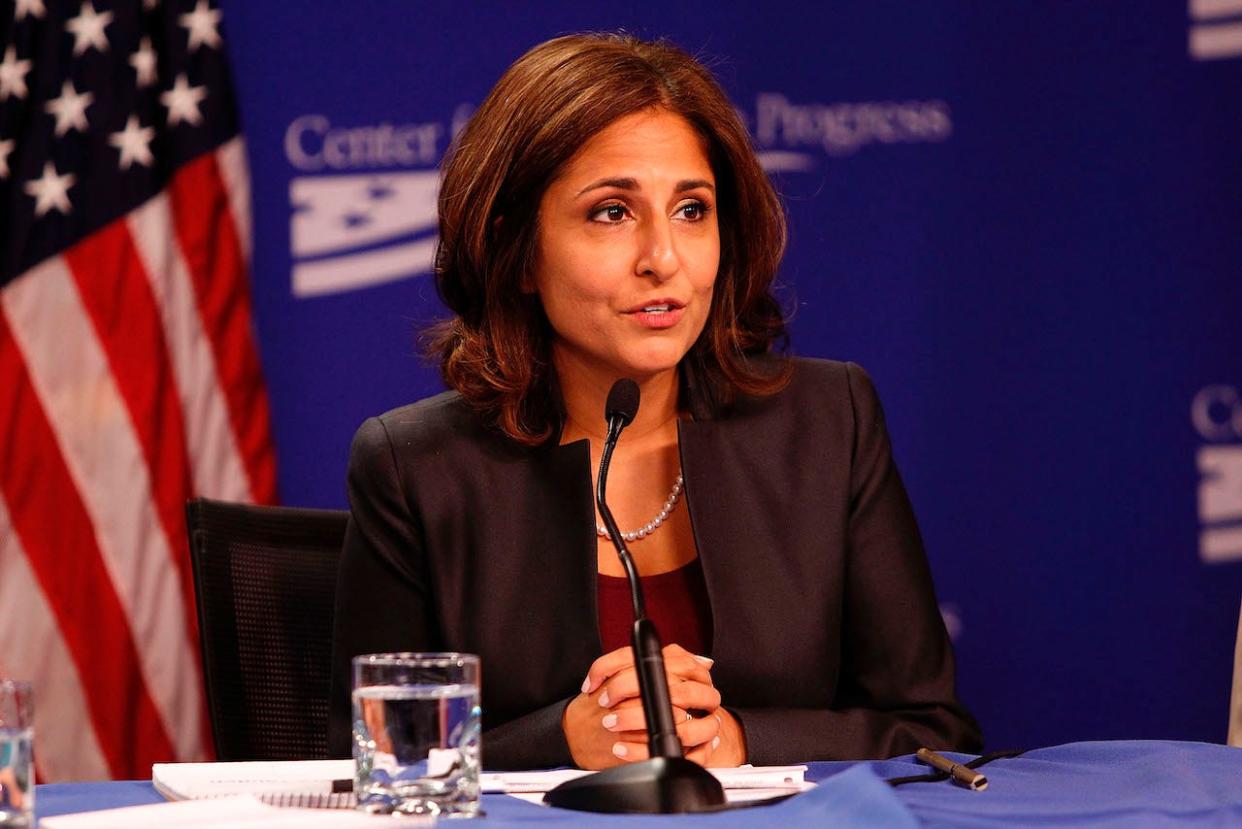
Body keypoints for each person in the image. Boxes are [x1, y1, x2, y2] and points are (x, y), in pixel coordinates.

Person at [328, 32, 982, 771]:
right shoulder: (418, 467)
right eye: (611, 212)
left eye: (692, 209)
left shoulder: (830, 423)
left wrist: (739, 741)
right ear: (517, 254)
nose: (663, 258)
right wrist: (562, 740)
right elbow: (378, 763)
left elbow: (932, 728)